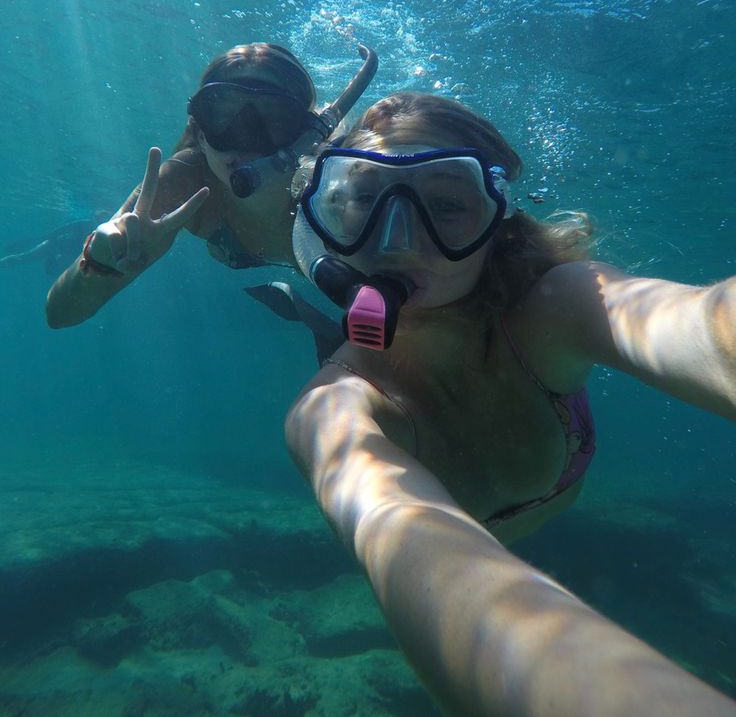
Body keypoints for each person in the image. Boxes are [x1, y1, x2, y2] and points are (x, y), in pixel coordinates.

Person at [285, 91, 736, 716]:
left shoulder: (554, 308)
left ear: (494, 218)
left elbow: (703, 327)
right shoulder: (333, 411)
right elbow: (412, 544)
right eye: (363, 200)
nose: (398, 240)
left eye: (445, 204)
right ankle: (317, 322)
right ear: (325, 216)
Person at [46, 42, 376, 336]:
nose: (244, 137)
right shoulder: (187, 180)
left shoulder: (345, 180)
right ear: (201, 134)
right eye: (222, 115)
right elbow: (59, 314)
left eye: (272, 119)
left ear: (307, 133)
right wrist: (100, 263)